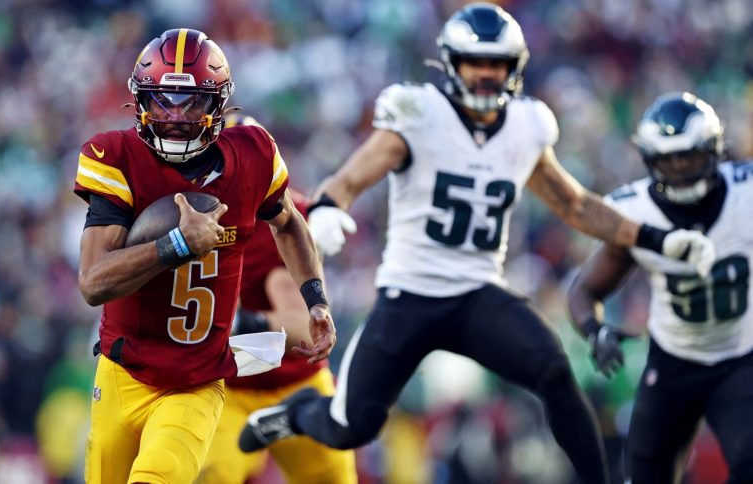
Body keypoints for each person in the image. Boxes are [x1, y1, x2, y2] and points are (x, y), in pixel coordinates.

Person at [237, 5, 715, 484]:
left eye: (497, 65)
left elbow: (576, 205)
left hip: (477, 293)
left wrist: (658, 239)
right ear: (451, 64)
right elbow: (351, 177)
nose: (486, 76)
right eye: (475, 63)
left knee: (554, 371)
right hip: (410, 295)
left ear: (515, 68)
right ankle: (295, 414)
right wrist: (327, 210)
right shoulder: (419, 114)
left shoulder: (527, 126)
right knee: (351, 426)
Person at [74, 29, 336, 484]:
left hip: (196, 380)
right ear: (140, 101)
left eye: (191, 102)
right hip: (122, 373)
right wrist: (175, 245)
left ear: (218, 105)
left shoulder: (253, 154)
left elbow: (289, 221)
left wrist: (315, 298)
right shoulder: (115, 157)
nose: (175, 117)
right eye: (162, 101)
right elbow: (94, 282)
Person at [567, 92, 753, 483]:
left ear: (715, 151)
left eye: (690, 156)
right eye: (669, 160)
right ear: (650, 161)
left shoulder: (746, 193)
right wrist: (594, 330)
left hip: (740, 360)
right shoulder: (634, 214)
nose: (682, 170)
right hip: (674, 363)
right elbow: (584, 292)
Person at [197, 114, 357, 484]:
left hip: (294, 385)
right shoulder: (181, 212)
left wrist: (236, 324)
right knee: (210, 475)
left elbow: (305, 327)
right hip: (226, 388)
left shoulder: (283, 221)